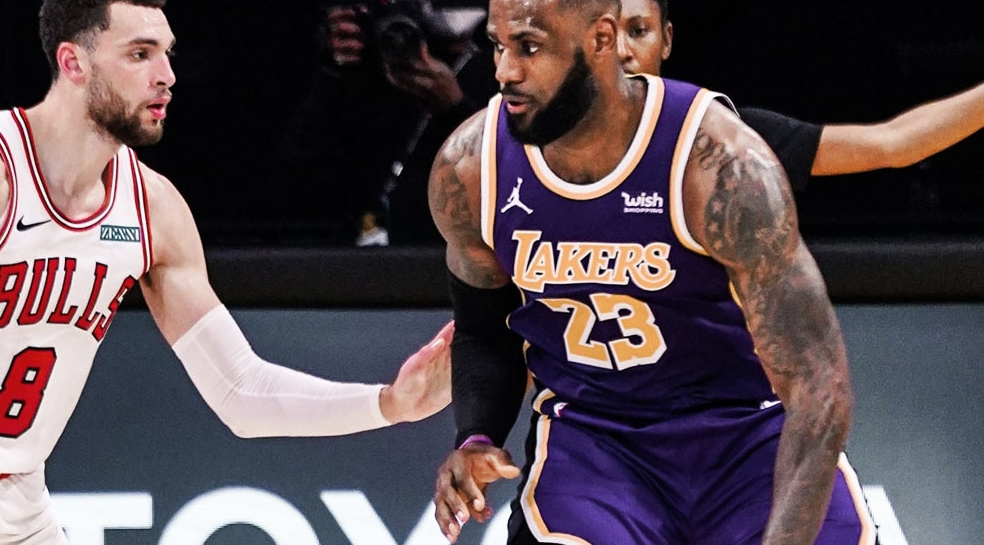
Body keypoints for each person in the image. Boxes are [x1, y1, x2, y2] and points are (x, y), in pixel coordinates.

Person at [0, 1, 454, 543]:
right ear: (72, 62)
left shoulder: (152, 208)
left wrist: (387, 403)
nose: (167, 76)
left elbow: (240, 390)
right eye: (139, 54)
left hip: (14, 509)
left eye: (167, 54)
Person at [428, 0, 872, 543]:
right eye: (498, 46)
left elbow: (817, 385)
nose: (504, 71)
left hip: (749, 432)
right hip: (597, 440)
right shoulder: (470, 167)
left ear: (601, 39)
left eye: (529, 47)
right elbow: (483, 330)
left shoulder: (718, 162)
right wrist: (475, 436)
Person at [618, 0, 984, 192]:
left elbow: (892, 143)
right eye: (604, 34)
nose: (622, 51)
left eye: (638, 30)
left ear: (666, 39)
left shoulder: (726, 136)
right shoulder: (575, 145)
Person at [270, 0, 497, 246]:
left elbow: (509, 193)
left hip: (437, 256)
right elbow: (293, 189)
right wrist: (334, 74)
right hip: (350, 253)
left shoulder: (504, 68)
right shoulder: (373, 57)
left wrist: (455, 110)